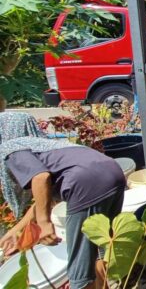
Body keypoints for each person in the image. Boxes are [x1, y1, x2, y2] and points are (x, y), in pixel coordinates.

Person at [0, 112, 125, 289]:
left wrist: (44, 223)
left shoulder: (11, 148)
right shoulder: (45, 145)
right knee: (102, 248)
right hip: (112, 172)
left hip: (85, 185)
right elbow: (43, 196)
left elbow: (40, 178)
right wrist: (17, 230)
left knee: (79, 271)